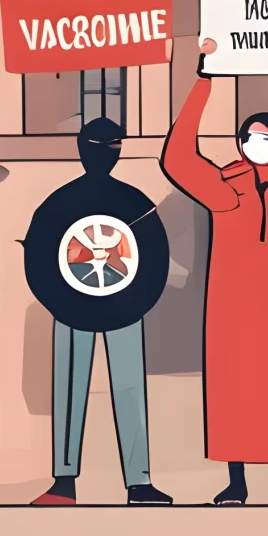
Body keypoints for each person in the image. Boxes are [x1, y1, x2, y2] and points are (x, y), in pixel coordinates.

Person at [163, 35, 268, 506]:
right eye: (249, 137)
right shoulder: (224, 186)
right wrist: (205, 78)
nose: (255, 144)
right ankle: (236, 482)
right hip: (232, 309)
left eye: (265, 137)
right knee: (235, 389)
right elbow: (177, 157)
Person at [24, 117, 172, 507]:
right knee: (83, 387)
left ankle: (133, 482)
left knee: (124, 388)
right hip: (79, 304)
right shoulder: (83, 201)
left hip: (117, 303)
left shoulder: (125, 202)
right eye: (101, 144)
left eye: (111, 144)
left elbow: (155, 256)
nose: (106, 152)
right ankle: (69, 481)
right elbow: (39, 255)